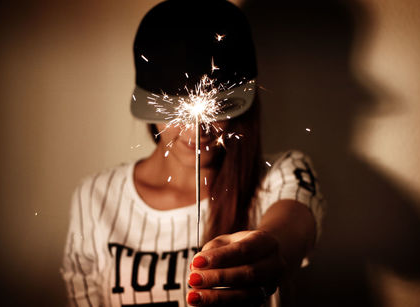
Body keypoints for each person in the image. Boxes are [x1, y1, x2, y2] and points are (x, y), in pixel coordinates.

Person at [61, 0, 325, 306]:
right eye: (175, 109)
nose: (197, 129)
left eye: (218, 107)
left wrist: (269, 251)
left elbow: (290, 232)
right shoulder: (95, 198)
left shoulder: (282, 173)